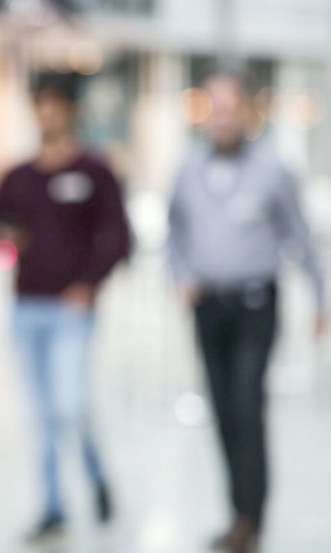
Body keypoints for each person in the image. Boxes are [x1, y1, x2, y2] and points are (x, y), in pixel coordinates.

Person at [167, 71, 325, 553]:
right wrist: (181, 275)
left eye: (229, 106)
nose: (222, 117)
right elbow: (175, 233)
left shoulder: (273, 168)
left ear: (247, 111)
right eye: (213, 108)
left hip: (257, 304)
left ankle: (251, 521)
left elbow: (300, 236)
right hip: (208, 307)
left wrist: (322, 297)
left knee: (247, 405)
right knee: (222, 411)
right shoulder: (189, 167)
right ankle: (237, 511)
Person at [0, 72, 130, 545]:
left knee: (69, 405)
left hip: (72, 311)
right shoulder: (17, 177)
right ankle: (52, 505)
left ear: (71, 109)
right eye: (40, 104)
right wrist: (7, 237)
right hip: (26, 308)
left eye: (55, 104)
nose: (47, 113)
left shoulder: (95, 171)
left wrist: (89, 284)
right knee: (42, 413)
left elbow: (120, 237)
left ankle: (95, 474)